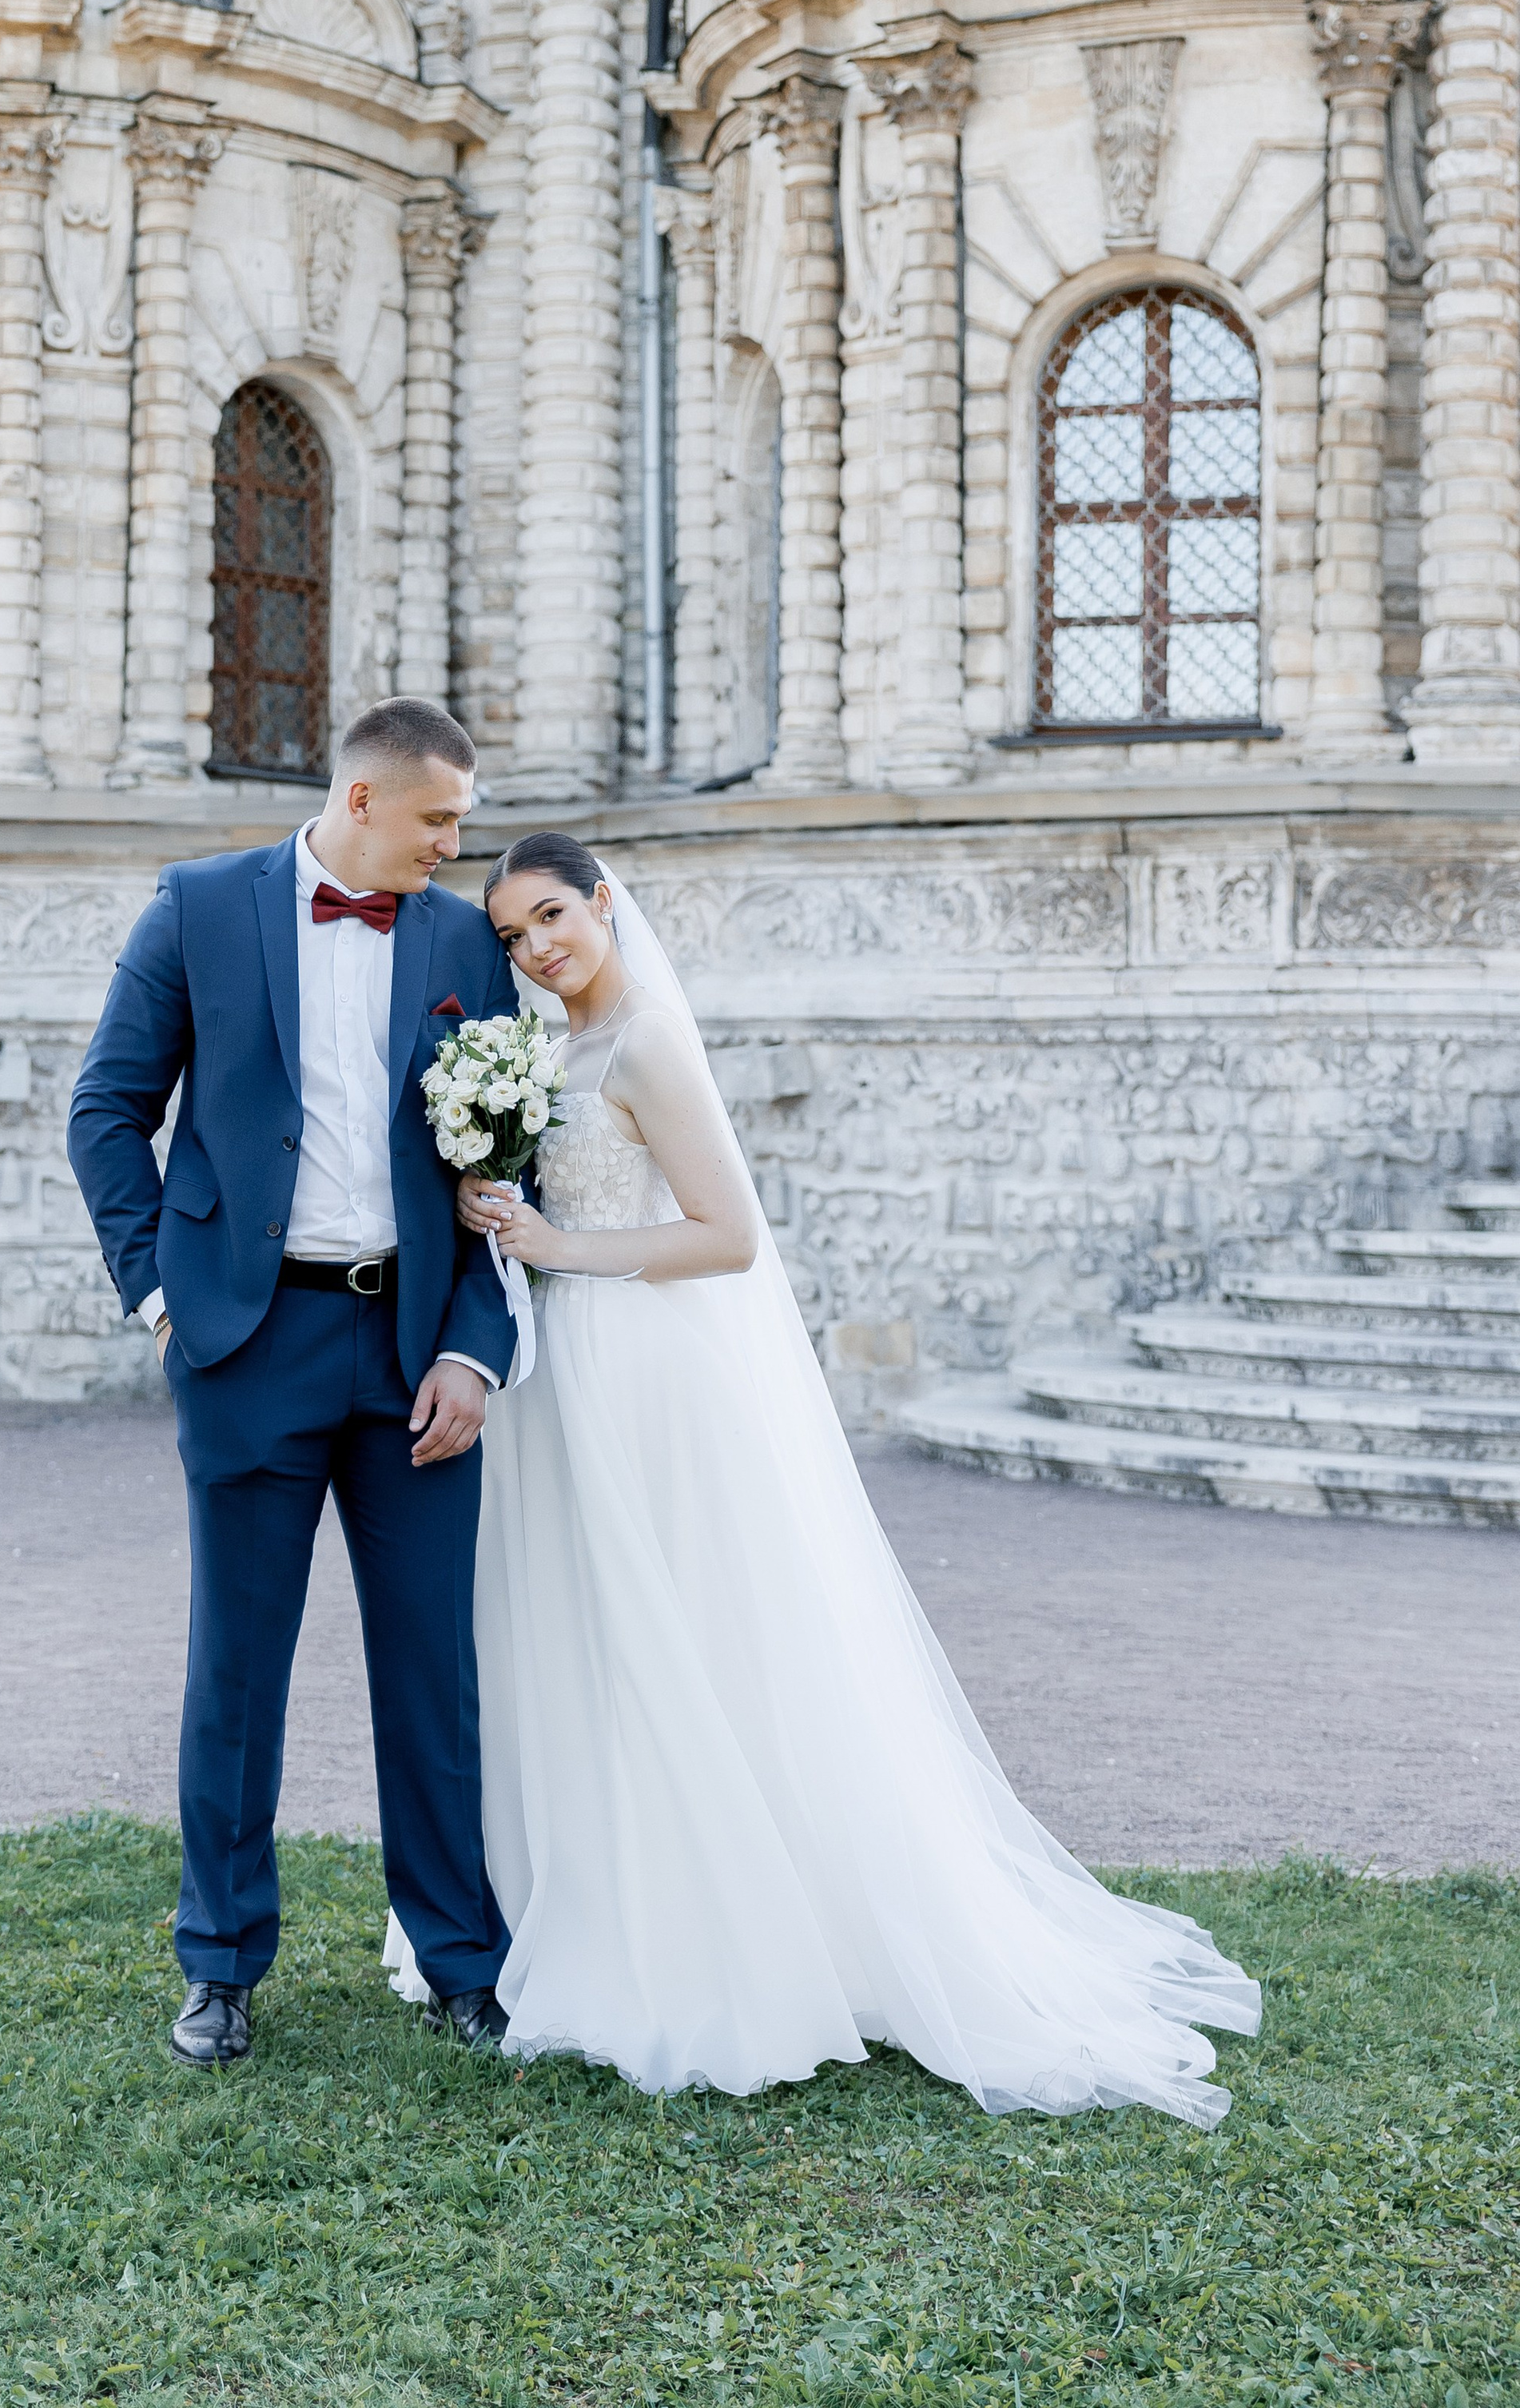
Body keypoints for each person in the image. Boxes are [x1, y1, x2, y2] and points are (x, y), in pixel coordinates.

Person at [415, 829, 1262, 2121]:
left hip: (650, 1369)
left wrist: (557, 1241)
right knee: (584, 1633)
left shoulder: (646, 1039)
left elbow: (728, 1237)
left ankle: (721, 1935)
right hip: (567, 1372)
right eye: (516, 935)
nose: (537, 948)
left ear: (600, 904)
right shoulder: (545, 1052)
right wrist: (504, 1219)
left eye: (551, 919)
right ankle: (580, 1903)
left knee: (681, 1630)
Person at [67, 697, 518, 2069]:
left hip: (413, 1354)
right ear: (364, 801)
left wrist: (475, 1349)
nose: (457, 845)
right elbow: (107, 1107)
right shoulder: (197, 909)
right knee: (238, 1668)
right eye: (440, 820)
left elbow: (509, 1166)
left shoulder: (458, 939)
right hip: (244, 1347)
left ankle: (461, 1964)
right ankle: (219, 1965)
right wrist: (157, 1290)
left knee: (431, 1672)